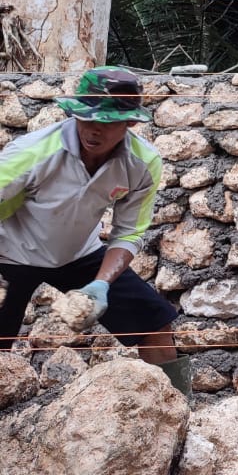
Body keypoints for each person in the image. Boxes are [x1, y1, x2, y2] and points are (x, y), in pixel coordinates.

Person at [0, 67, 191, 396]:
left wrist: (101, 284)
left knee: (154, 323)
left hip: (79, 254)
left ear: (130, 123)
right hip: (9, 253)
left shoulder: (142, 162)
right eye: (86, 117)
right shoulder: (31, 153)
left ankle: (178, 409)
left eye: (107, 122)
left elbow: (128, 232)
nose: (93, 129)